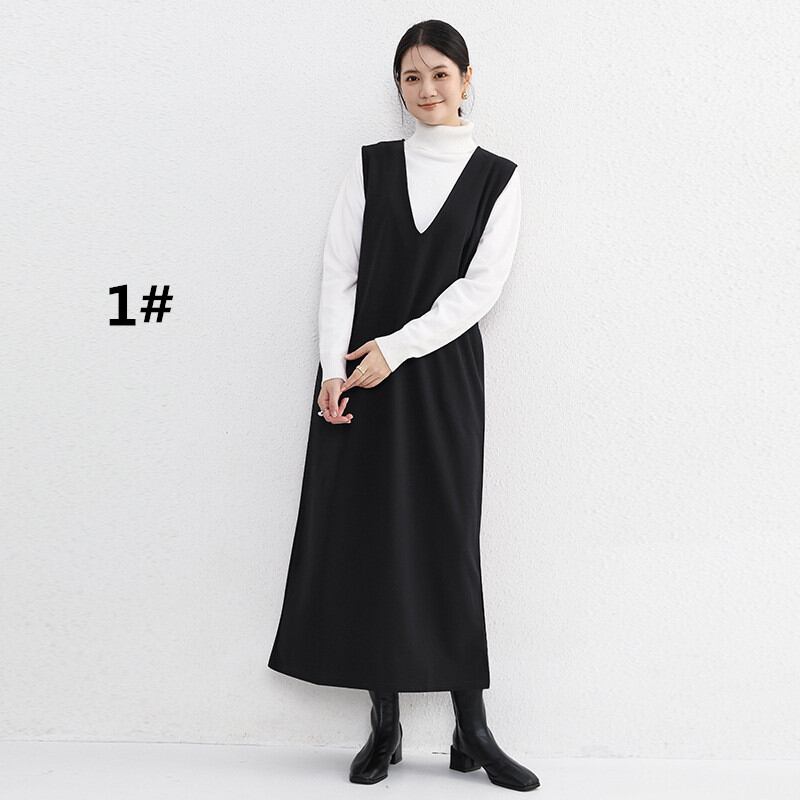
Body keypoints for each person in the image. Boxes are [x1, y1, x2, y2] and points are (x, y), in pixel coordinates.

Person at [268, 19, 540, 792]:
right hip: (359, 376)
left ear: (466, 79)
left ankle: (471, 729)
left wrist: (399, 347)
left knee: (447, 541)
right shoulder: (372, 167)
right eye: (412, 77)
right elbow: (339, 273)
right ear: (398, 87)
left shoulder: (498, 177)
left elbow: (481, 288)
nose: (426, 89)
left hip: (439, 376)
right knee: (370, 539)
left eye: (440, 74)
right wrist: (334, 369)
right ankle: (383, 725)